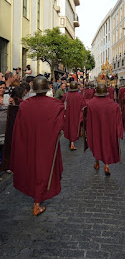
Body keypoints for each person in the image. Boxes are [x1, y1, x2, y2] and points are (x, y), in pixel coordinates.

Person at [10, 76, 64, 216]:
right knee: (44, 168)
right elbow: (59, 126)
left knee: (32, 168)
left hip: (30, 142)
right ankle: (37, 203)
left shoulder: (24, 105)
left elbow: (19, 128)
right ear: (47, 89)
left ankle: (36, 200)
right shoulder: (56, 105)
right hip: (47, 143)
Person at [85, 83, 123, 175]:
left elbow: (87, 118)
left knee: (97, 144)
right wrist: (119, 131)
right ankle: (106, 165)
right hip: (109, 130)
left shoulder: (90, 104)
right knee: (107, 146)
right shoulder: (114, 105)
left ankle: (97, 162)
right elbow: (118, 119)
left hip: (96, 129)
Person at [62, 81, 86, 151]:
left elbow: (61, 103)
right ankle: (72, 143)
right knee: (74, 128)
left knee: (69, 127)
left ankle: (71, 142)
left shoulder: (66, 95)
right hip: (76, 114)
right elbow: (84, 105)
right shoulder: (80, 96)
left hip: (68, 114)